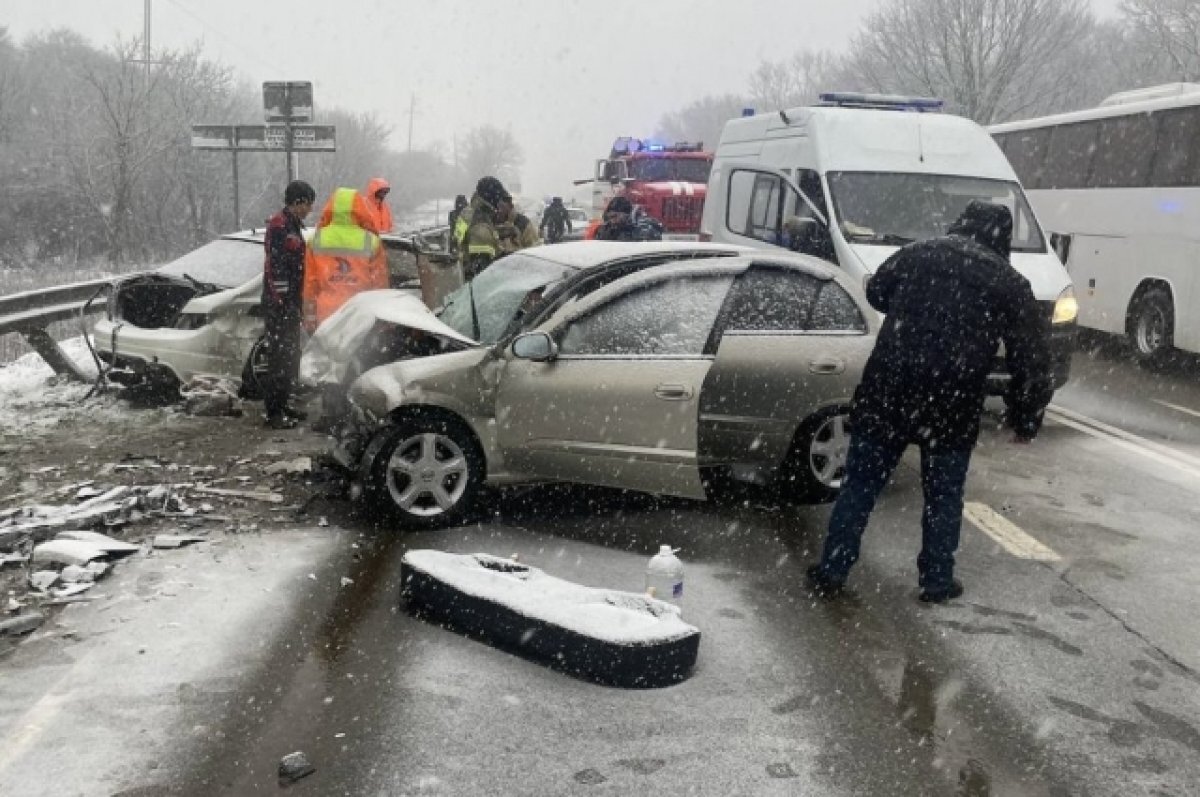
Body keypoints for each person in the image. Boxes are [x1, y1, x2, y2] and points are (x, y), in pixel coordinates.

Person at [805, 201, 1053, 603]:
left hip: (888, 391)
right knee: (944, 496)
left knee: (861, 486)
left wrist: (917, 309)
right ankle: (936, 581)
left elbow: (877, 293)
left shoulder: (918, 254)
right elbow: (1032, 358)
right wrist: (1026, 418)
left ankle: (833, 570)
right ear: (1001, 237)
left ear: (960, 223)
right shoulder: (1008, 283)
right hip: (952, 402)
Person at [261, 180, 316, 430]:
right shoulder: (279, 225)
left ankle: (284, 405)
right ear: (298, 202)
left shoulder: (294, 225)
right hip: (278, 305)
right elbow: (275, 266)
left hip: (291, 303)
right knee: (279, 358)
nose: (309, 209)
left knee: (291, 356)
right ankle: (274, 412)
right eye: (308, 204)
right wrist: (282, 300)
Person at [301, 187, 388, 332]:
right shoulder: (371, 242)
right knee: (359, 354)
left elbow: (310, 285)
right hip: (359, 315)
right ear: (359, 210)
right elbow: (379, 285)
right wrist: (382, 320)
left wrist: (309, 318)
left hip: (327, 315)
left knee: (327, 354)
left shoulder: (316, 240)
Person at [456, 177, 508, 279]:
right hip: (475, 284)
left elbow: (461, 241)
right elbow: (483, 269)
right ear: (492, 198)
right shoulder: (481, 225)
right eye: (499, 199)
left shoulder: (468, 211)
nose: (500, 203)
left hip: (462, 272)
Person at [594, 196, 663, 241]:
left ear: (627, 215)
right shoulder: (605, 230)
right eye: (609, 217)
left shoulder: (643, 230)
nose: (612, 220)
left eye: (615, 216)